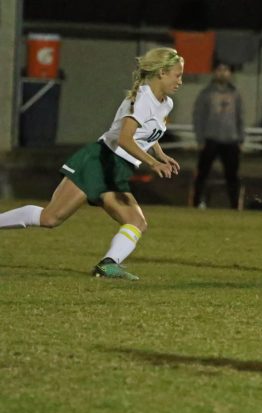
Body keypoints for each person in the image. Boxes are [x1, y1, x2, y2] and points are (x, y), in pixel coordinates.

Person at [0, 47, 183, 280]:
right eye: (177, 75)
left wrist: (160, 154)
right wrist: (152, 163)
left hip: (116, 170)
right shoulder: (143, 99)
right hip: (99, 161)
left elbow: (148, 132)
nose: (180, 81)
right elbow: (125, 138)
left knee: (136, 222)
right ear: (162, 73)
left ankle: (107, 265)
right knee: (50, 218)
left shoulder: (166, 103)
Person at [191, 61, 245, 209]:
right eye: (219, 69)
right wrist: (200, 138)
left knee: (232, 176)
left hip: (231, 140)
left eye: (226, 70)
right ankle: (196, 203)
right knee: (203, 174)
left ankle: (235, 206)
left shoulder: (235, 93)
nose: (223, 73)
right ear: (215, 72)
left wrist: (241, 138)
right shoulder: (206, 93)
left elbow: (240, 117)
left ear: (230, 73)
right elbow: (198, 117)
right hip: (210, 139)